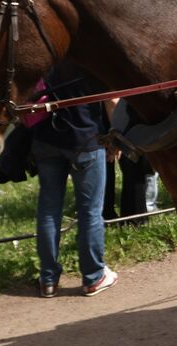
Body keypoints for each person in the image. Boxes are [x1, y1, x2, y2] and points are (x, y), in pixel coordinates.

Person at [31, 63, 117, 298]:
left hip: (45, 141)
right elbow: (112, 101)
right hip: (86, 141)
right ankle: (93, 277)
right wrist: (116, 138)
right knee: (90, 211)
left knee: (48, 211)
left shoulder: (43, 60)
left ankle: (48, 279)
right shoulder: (87, 58)